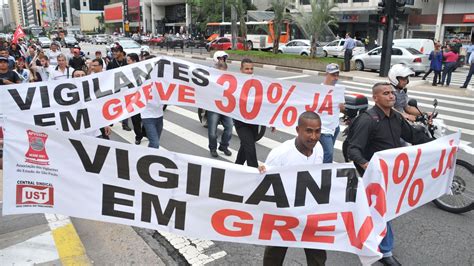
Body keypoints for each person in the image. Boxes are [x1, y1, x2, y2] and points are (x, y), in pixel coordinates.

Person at [347, 82, 432, 266]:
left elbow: (412, 136)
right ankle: (385, 253)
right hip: (372, 175)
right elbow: (353, 150)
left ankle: (364, 234)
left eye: (392, 93)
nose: (391, 96)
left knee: (378, 210)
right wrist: (368, 166)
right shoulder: (368, 120)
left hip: (391, 173)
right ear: (375, 98)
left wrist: (437, 146)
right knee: (382, 210)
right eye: (386, 93)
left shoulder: (396, 117)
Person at [258, 111, 325, 266]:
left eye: (317, 131)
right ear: (297, 130)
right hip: (284, 214)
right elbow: (264, 187)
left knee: (318, 257)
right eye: (308, 131)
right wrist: (260, 173)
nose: (313, 137)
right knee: (274, 256)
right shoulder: (280, 154)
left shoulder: (319, 148)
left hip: (310, 213)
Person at [234, 58, 261, 167]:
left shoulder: (258, 83)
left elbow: (264, 102)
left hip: (254, 122)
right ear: (241, 70)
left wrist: (270, 121)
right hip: (241, 121)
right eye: (247, 69)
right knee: (250, 148)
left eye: (251, 69)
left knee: (245, 146)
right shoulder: (236, 83)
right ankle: (254, 172)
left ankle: (237, 166)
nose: (249, 71)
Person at [320, 63, 345, 163]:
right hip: (324, 128)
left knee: (326, 152)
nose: (335, 77)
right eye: (333, 75)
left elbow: (342, 107)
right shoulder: (318, 90)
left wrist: (343, 108)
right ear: (326, 74)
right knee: (328, 153)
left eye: (337, 75)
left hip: (335, 127)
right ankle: (324, 174)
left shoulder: (339, 89)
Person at [207, 60, 233, 157]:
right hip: (213, 108)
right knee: (212, 132)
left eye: (224, 72)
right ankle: (213, 148)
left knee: (229, 127)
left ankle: (224, 146)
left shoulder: (231, 80)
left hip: (226, 108)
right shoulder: (211, 80)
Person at [106, 44, 131, 131]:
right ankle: (111, 120)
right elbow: (107, 75)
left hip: (126, 86)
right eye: (113, 51)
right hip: (115, 87)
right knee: (113, 105)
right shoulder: (111, 63)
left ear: (121, 52)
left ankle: (125, 124)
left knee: (126, 104)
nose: (114, 53)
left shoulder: (127, 62)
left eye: (116, 51)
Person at [126, 53, 147, 145]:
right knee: (135, 119)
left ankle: (145, 132)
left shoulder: (144, 70)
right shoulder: (125, 71)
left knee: (146, 118)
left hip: (143, 99)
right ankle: (138, 136)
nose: (127, 62)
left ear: (134, 61)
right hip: (132, 99)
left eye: (129, 60)